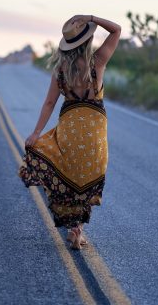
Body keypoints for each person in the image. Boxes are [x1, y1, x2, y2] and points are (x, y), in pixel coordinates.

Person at [18, 14, 121, 250]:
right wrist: (92, 17)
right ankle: (78, 231)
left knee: (68, 175)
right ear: (88, 40)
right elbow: (116, 30)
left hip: (70, 128)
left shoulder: (60, 70)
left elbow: (49, 104)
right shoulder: (98, 62)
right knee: (87, 177)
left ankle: (74, 229)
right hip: (94, 130)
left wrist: (36, 134)